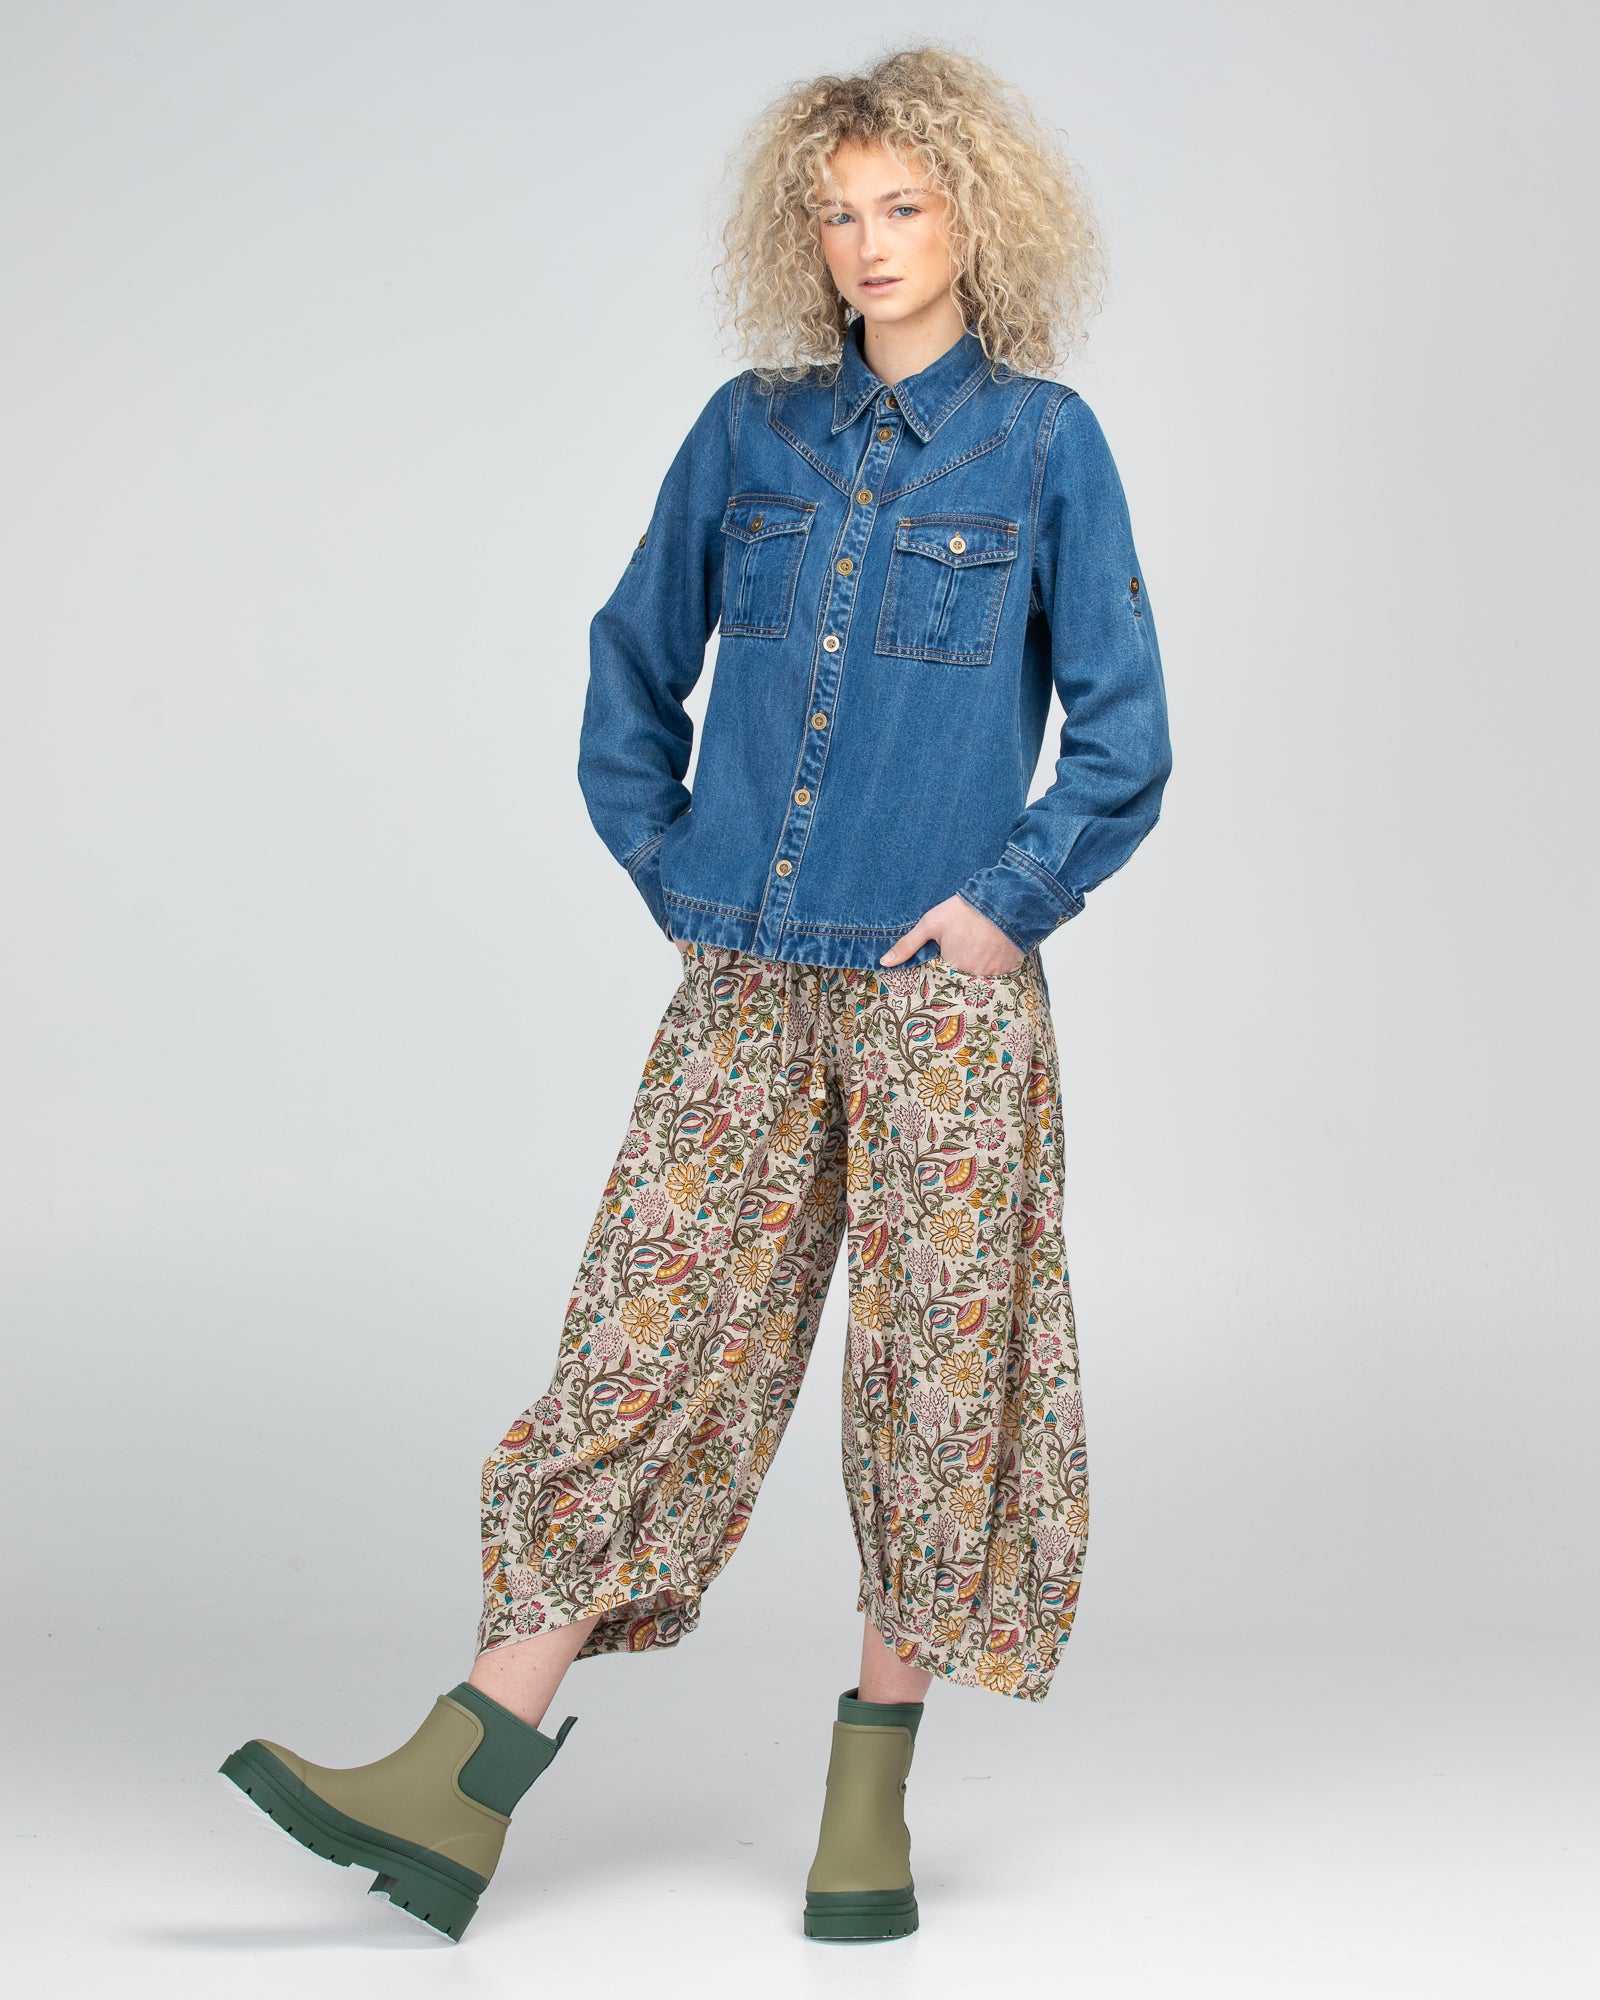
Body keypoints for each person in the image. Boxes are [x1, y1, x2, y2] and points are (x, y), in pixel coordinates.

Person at [219, 43, 1172, 1946]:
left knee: (937, 1373)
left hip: (939, 999)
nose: (869, 243)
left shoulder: (1044, 447)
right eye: (837, 214)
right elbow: (631, 658)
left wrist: (1006, 908)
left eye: (903, 205)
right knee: (641, 1350)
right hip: (746, 978)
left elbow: (1124, 737)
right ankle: (463, 1777)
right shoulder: (749, 433)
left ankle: (868, 1805)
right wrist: (675, 865)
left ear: (973, 217)